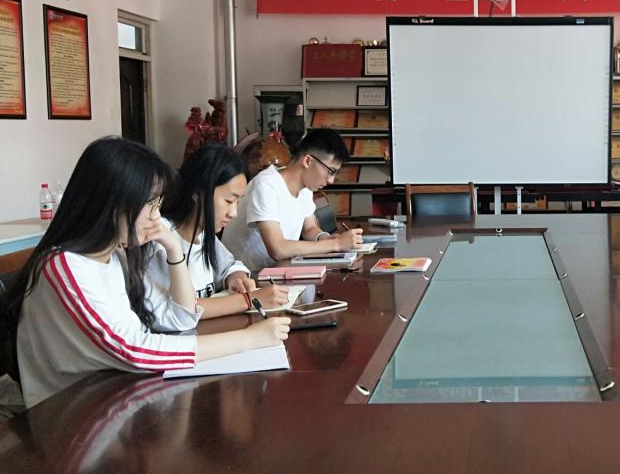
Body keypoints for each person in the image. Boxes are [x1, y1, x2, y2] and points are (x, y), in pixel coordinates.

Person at [0, 137, 290, 409]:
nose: (156, 217)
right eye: (150, 205)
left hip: (113, 398)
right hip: (69, 414)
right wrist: (247, 339)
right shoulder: (64, 266)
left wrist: (174, 251)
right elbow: (134, 350)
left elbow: (179, 317)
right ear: (114, 203)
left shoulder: (115, 257)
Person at [150, 144, 289, 323]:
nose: (233, 213)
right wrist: (248, 300)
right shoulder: (160, 237)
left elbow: (230, 265)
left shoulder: (203, 234)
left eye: (238, 202)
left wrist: (236, 277)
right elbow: (177, 310)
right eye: (229, 201)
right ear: (197, 192)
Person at [222, 129, 363, 273]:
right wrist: (336, 244)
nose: (331, 180)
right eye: (330, 171)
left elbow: (309, 229)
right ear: (308, 161)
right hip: (244, 277)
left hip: (277, 272)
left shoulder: (305, 189)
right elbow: (278, 249)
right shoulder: (266, 186)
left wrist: (326, 238)